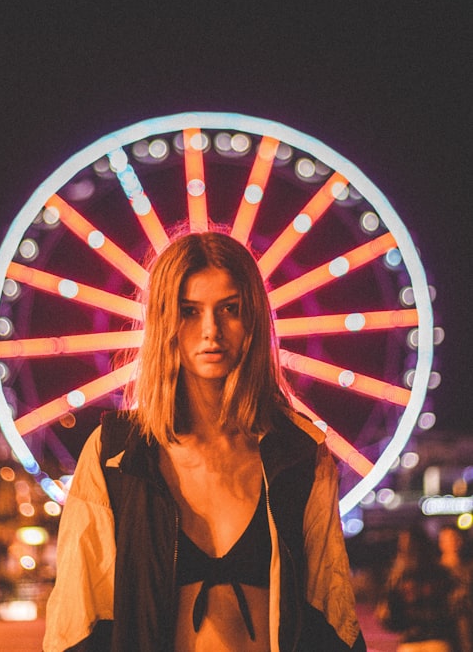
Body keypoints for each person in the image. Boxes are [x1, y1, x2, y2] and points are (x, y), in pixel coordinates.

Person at [42, 229, 366, 651]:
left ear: (252, 317)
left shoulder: (301, 454)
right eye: (189, 311)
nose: (211, 330)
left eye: (229, 308)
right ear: (164, 322)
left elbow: (332, 611)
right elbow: (77, 619)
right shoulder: (116, 456)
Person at [377, 524, 458, 652]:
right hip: (438, 641)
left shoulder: (398, 579)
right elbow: (454, 609)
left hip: (410, 642)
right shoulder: (442, 574)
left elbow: (390, 612)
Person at [437, 524, 473, 652]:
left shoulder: (469, 569)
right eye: (446, 539)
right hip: (442, 623)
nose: (451, 543)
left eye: (454, 538)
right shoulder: (435, 570)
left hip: (466, 622)